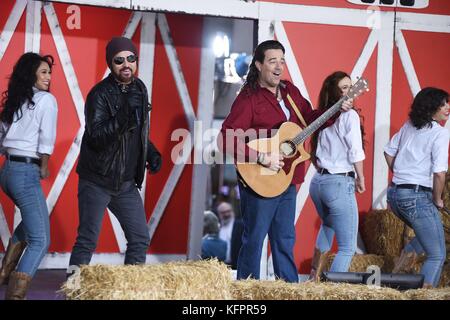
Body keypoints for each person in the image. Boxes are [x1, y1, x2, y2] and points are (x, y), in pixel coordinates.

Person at [217, 40, 353, 282]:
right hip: (259, 179)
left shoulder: (290, 91)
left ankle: (288, 291)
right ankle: (247, 293)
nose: (279, 66)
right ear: (258, 65)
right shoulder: (248, 99)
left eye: (282, 60)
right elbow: (225, 139)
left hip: (286, 178)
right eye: (272, 61)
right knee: (255, 240)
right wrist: (261, 156)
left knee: (284, 240)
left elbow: (311, 119)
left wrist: (336, 109)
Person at [67, 37, 162, 275]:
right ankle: (72, 290)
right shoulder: (99, 94)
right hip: (97, 180)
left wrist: (151, 151)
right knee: (87, 240)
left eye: (131, 58)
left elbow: (137, 130)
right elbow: (97, 137)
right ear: (111, 64)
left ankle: (129, 290)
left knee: (140, 239)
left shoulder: (140, 88)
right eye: (119, 60)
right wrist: (124, 113)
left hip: (126, 184)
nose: (126, 64)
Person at [0, 52, 57, 299]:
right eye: (43, 72)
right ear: (31, 74)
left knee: (33, 226)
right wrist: (44, 166)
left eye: (49, 72)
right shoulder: (46, 100)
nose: (48, 76)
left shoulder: (17, 100)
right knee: (41, 240)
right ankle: (15, 296)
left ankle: (4, 274)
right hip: (26, 171)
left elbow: (2, 137)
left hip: (8, 171)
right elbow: (46, 137)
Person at [385, 87, 449, 288]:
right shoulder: (439, 133)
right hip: (415, 196)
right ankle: (422, 295)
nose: (448, 107)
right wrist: (437, 199)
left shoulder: (409, 125)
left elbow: (388, 152)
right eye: (443, 104)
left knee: (425, 238)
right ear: (431, 107)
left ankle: (397, 277)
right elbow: (440, 173)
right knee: (437, 254)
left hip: (394, 195)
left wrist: (401, 174)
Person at [308, 71, 366, 281]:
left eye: (351, 87)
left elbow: (315, 152)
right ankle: (331, 290)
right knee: (347, 247)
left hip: (318, 182)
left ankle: (314, 280)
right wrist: (361, 177)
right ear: (334, 92)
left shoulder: (322, 117)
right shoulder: (349, 116)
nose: (350, 91)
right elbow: (355, 151)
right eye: (344, 88)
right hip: (339, 182)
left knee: (328, 225)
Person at [217, 201, 243, 269]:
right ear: (219, 214)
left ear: (232, 211)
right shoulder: (217, 227)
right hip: (220, 266)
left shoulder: (240, 226)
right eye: (223, 212)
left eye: (228, 211)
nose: (226, 214)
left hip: (235, 266)